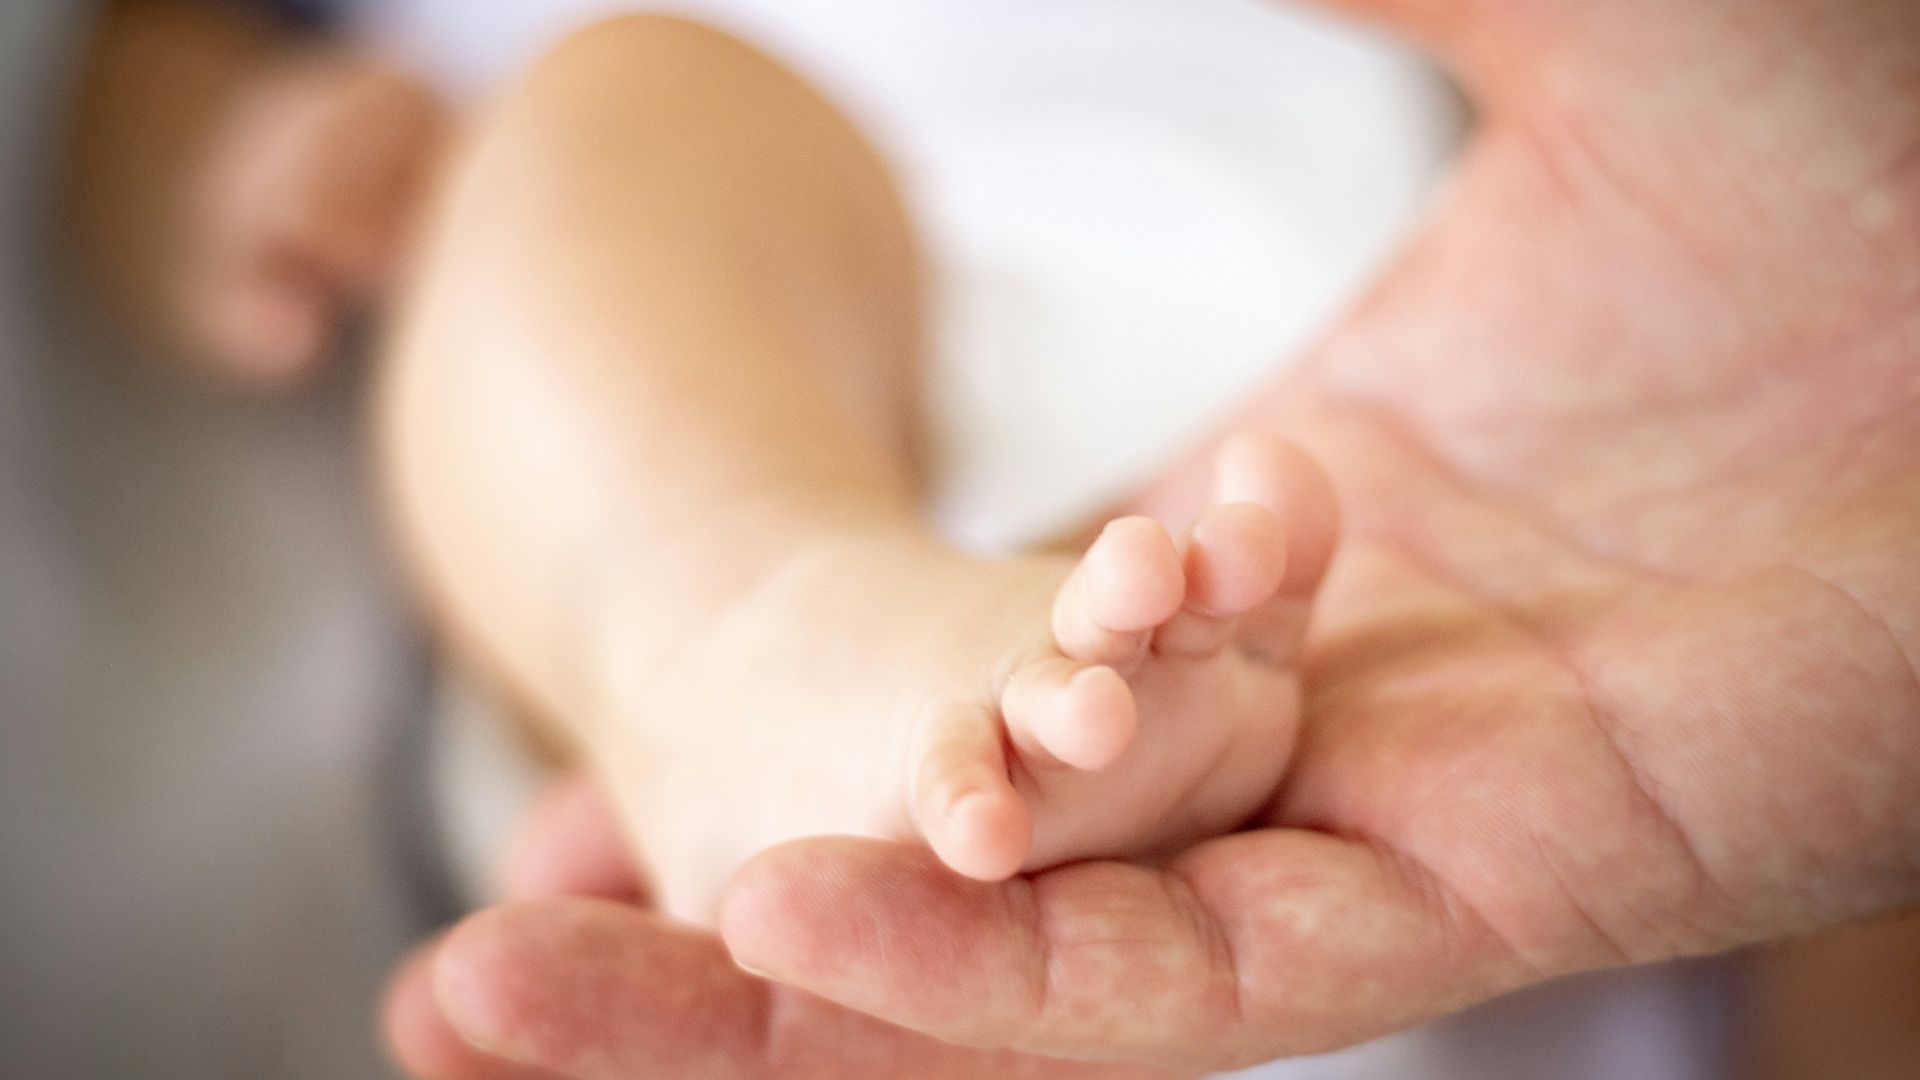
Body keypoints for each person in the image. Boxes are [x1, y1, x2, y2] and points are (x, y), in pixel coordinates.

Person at [373, 0, 1920, 1076]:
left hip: (1486, 544)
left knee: (1859, 864)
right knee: (631, 110)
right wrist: (195, 139)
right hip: (894, 330)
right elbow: (159, 54)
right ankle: (742, 621)